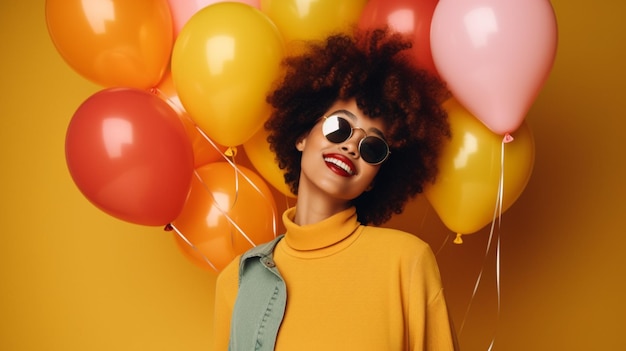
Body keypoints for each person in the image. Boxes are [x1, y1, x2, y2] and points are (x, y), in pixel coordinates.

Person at [213, 27, 459, 351]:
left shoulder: (406, 262)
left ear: (375, 178)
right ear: (302, 135)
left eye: (373, 147)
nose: (352, 145)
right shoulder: (239, 281)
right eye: (339, 127)